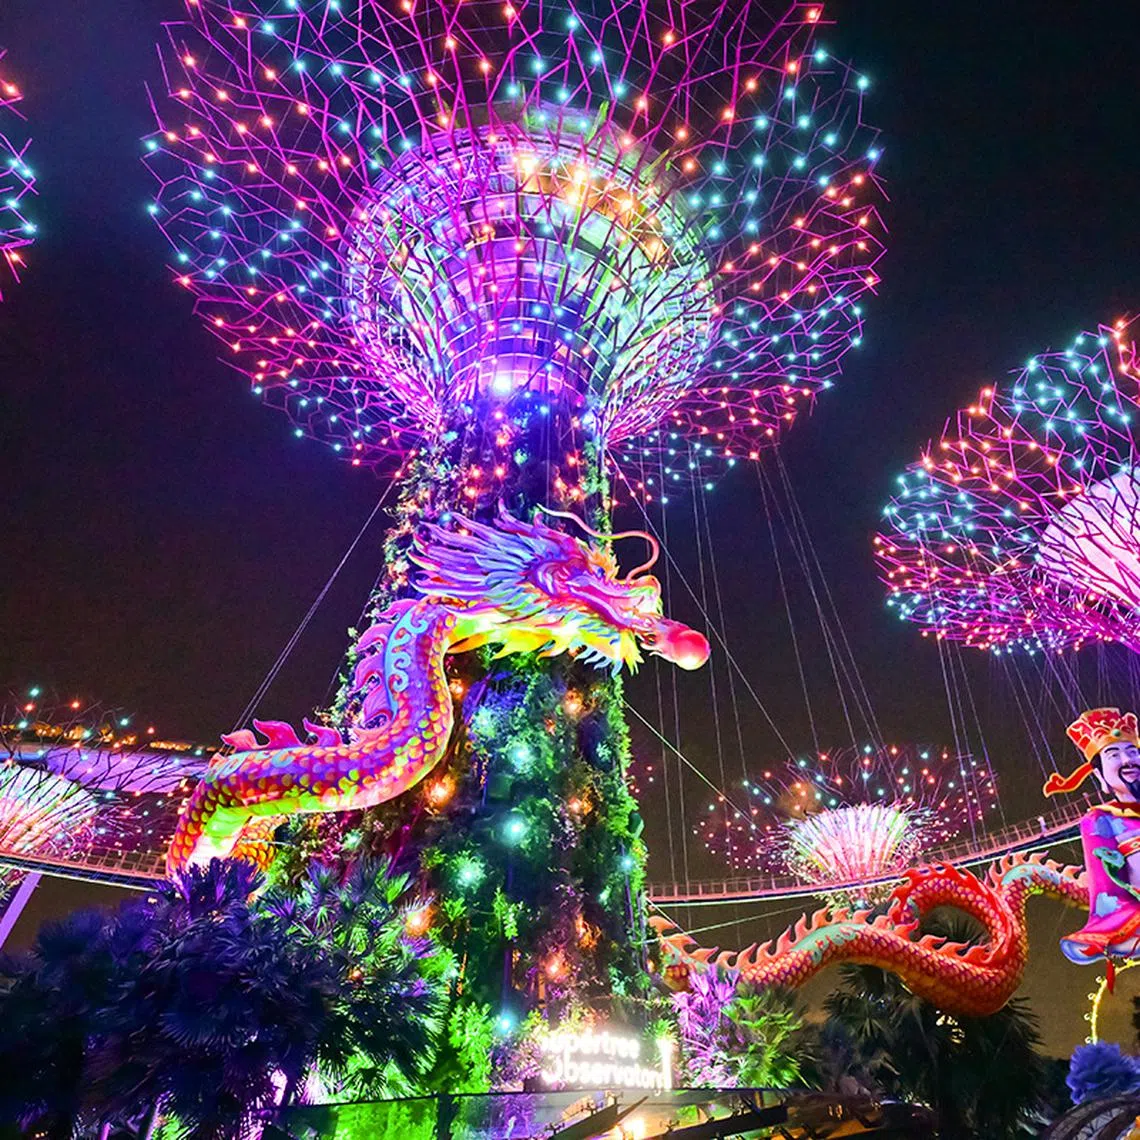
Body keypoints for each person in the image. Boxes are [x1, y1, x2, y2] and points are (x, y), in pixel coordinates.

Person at [1045, 708, 1140, 964]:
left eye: (1133, 752)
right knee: (1082, 947)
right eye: (1114, 754)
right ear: (1100, 776)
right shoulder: (1101, 821)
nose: (1128, 760)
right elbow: (1109, 896)